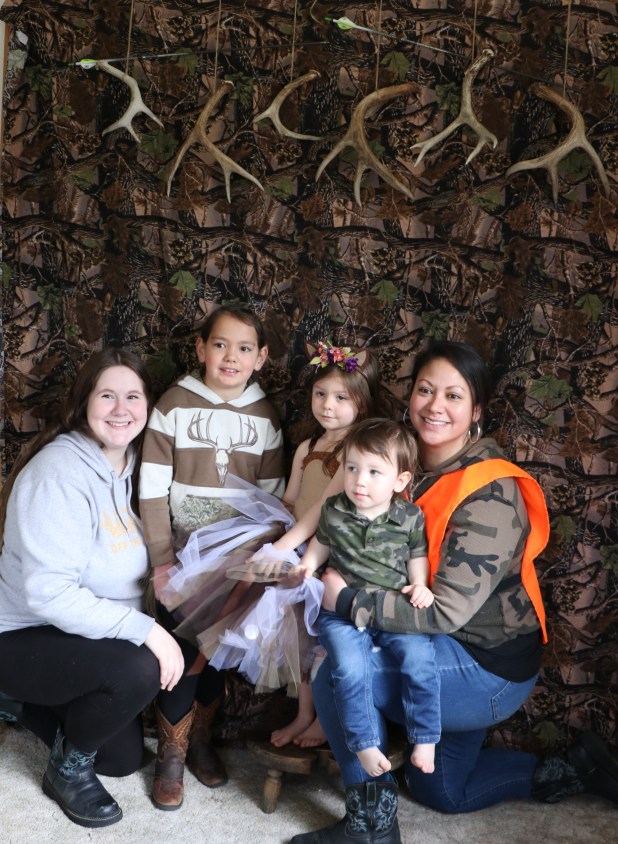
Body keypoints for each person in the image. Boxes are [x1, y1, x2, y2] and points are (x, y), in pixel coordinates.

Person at [290, 340, 618, 844]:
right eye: (425, 390)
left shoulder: (491, 492)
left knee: (337, 671)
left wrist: (346, 601)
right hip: (439, 645)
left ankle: (370, 831)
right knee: (442, 790)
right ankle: (574, 769)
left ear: (476, 411)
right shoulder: (397, 461)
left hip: (485, 666)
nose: (435, 406)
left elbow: (442, 613)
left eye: (453, 395)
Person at [0, 348, 184, 829]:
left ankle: (13, 703)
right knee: (141, 666)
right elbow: (49, 595)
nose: (121, 409)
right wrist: (148, 631)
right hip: (20, 633)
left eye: (132, 396)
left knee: (120, 760)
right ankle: (65, 772)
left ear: (148, 406)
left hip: (75, 638)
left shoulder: (136, 467)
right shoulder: (58, 473)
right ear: (84, 402)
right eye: (107, 396)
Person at [139, 303, 285, 810]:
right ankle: (171, 753)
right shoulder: (173, 405)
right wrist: (162, 560)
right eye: (220, 344)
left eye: (244, 348)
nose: (230, 357)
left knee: (218, 650)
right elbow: (152, 491)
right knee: (182, 648)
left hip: (237, 559)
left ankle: (200, 737)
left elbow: (273, 501)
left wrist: (251, 562)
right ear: (201, 348)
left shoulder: (265, 417)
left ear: (260, 358)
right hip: (181, 556)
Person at [298, 418, 439, 777]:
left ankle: (425, 737)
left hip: (393, 608)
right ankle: (363, 743)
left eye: (375, 472)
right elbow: (321, 543)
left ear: (400, 481)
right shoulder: (334, 509)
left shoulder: (409, 516)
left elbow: (417, 556)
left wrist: (419, 584)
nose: (360, 480)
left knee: (420, 659)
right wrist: (307, 566)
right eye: (352, 468)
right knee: (349, 668)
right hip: (340, 613)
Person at [270, 341, 383, 749]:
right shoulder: (306, 447)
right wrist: (270, 533)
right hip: (300, 548)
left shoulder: (355, 449)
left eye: (340, 397)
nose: (327, 405)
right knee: (300, 638)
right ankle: (303, 714)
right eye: (320, 394)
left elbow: (323, 508)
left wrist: (283, 547)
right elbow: (290, 499)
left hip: (333, 554)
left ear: (362, 403)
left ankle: (324, 718)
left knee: (326, 641)